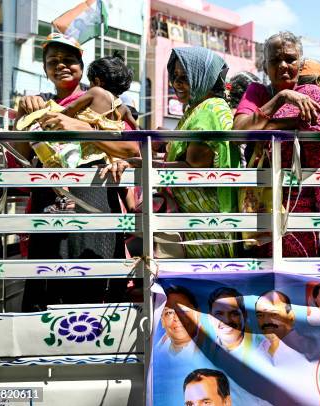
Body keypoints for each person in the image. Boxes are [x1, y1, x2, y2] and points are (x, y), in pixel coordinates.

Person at [16, 33, 140, 311]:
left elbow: (133, 151)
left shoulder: (100, 99)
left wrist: (83, 129)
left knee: (96, 276)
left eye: (69, 60)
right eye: (53, 61)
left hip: (93, 196)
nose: (61, 66)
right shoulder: (37, 103)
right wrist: (22, 115)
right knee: (47, 282)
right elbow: (20, 157)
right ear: (45, 69)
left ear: (81, 66)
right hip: (48, 200)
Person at [102, 47, 239, 259]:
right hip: (194, 220)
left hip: (206, 222)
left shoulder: (210, 110)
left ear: (203, 76)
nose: (177, 84)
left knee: (205, 284)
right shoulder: (197, 109)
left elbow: (193, 168)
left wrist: (141, 163)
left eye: (186, 77)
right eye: (174, 77)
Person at [234, 31, 320, 257]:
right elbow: (239, 132)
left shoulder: (312, 92)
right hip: (264, 199)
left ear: (300, 62)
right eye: (275, 60)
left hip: (306, 200)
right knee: (266, 272)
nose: (284, 66)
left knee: (302, 276)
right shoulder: (258, 92)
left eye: (290, 59)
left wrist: (269, 126)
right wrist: (282, 98)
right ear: (265, 66)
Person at [155, 285, 202, 357]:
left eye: (182, 310)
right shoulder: (155, 350)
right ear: (162, 321)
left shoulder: (214, 351)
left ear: (198, 314)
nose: (177, 318)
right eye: (169, 313)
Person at [207, 287, 252, 361]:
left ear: (244, 315)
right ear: (210, 319)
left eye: (234, 313)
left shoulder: (265, 351)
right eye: (219, 314)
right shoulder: (202, 353)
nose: (227, 320)